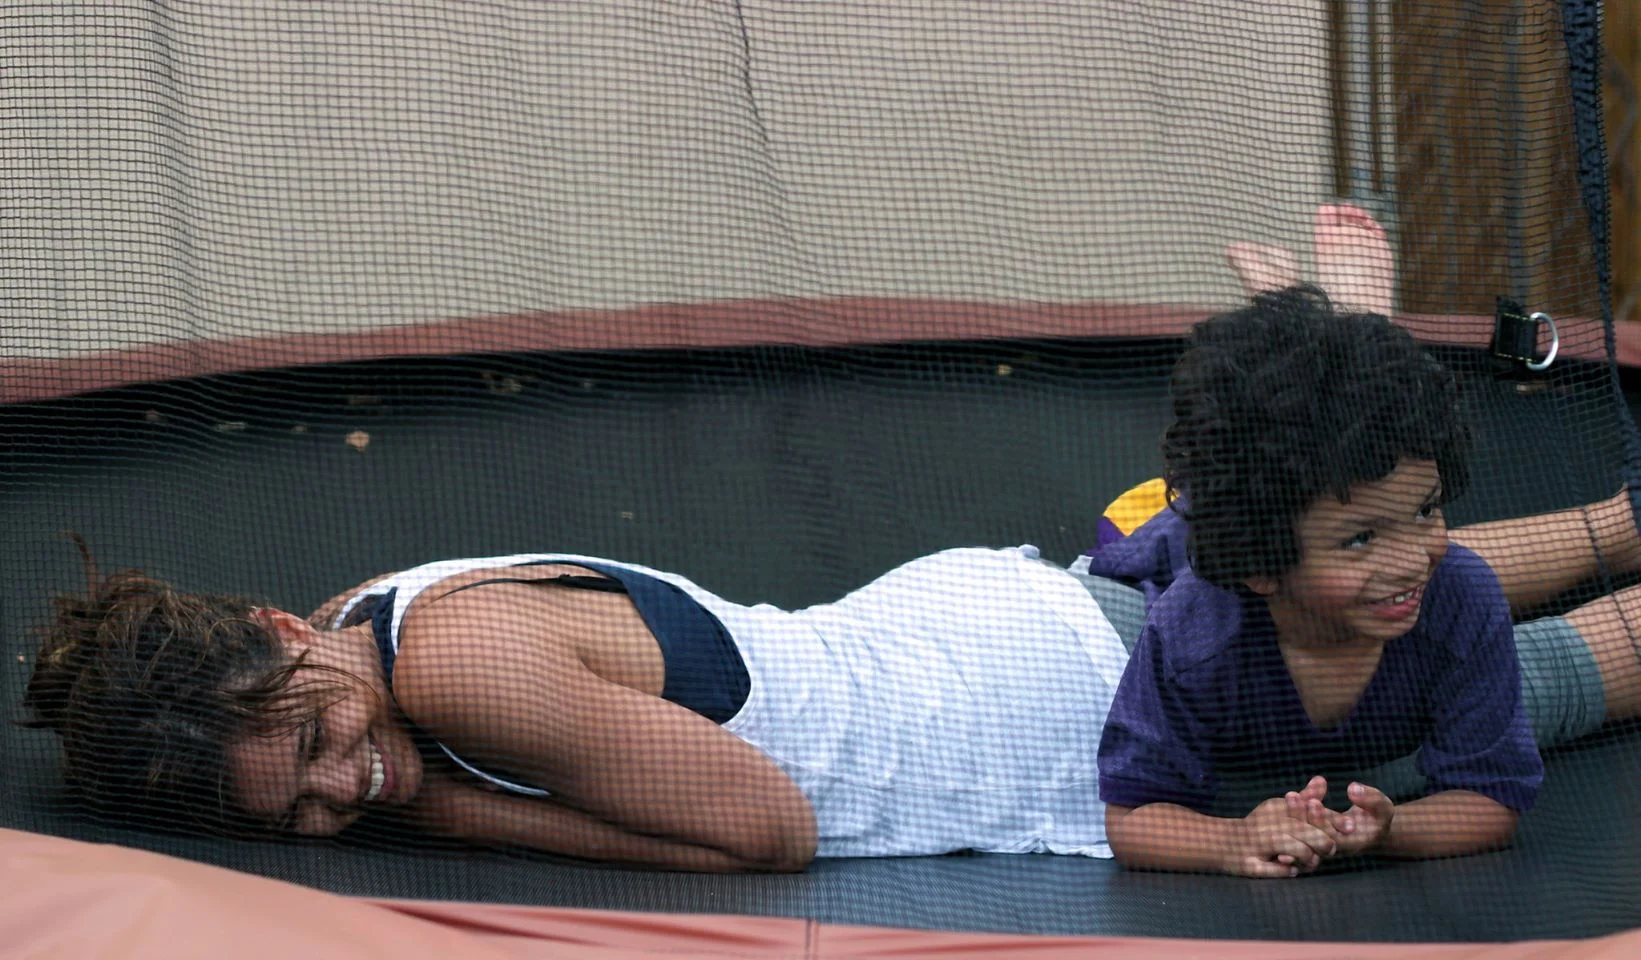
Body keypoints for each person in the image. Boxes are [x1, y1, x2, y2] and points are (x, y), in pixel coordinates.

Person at [21, 210, 1641, 874]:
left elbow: (768, 828)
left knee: (1435, 647)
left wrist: (443, 807)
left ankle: (1374, 364)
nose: (347, 786)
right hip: (970, 633)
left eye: (317, 743)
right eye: (300, 806)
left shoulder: (448, 672)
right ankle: (1618, 510)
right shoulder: (361, 619)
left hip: (1042, 717)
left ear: (279, 631)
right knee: (1368, 568)